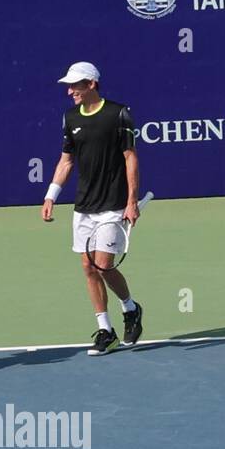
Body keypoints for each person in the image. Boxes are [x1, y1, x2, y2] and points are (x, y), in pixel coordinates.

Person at [41, 61, 143, 356]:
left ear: (91, 84)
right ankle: (105, 329)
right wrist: (51, 195)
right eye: (69, 86)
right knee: (88, 267)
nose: (70, 91)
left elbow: (130, 157)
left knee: (103, 265)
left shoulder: (118, 114)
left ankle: (130, 308)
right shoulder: (69, 117)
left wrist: (131, 200)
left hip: (113, 204)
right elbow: (66, 160)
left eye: (75, 85)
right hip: (84, 205)